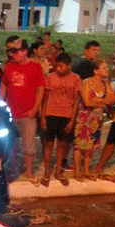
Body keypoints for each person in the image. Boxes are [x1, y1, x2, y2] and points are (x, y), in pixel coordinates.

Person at [0, 39, 45, 181]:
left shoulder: (36, 67)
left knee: (29, 145)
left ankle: (29, 172)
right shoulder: (9, 66)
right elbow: (4, 85)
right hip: (11, 113)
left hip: (27, 113)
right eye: (12, 51)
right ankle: (13, 170)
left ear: (25, 51)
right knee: (11, 143)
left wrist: (35, 109)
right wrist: (0, 104)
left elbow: (41, 89)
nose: (14, 54)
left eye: (16, 51)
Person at [40, 53, 81, 187]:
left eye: (61, 66)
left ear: (69, 66)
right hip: (50, 114)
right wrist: (43, 117)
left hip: (66, 116)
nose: (58, 68)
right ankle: (47, 172)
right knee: (48, 144)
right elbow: (45, 98)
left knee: (62, 145)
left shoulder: (75, 78)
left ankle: (58, 172)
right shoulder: (50, 77)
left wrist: (72, 120)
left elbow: (76, 101)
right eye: (56, 66)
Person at [73, 60, 115, 181]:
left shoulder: (104, 83)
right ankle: (77, 171)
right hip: (84, 117)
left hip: (96, 119)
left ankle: (86, 170)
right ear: (95, 71)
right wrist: (102, 101)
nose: (106, 70)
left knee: (91, 144)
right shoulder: (87, 82)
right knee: (79, 144)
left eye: (106, 67)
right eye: (103, 68)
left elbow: (112, 99)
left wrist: (97, 100)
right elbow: (87, 102)